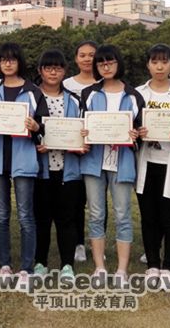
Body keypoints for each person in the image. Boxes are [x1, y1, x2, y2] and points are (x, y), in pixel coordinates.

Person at [0, 43, 46, 282]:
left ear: (19, 62)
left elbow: (44, 128)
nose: (8, 64)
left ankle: (26, 268)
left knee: (26, 215)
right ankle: (5, 264)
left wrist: (36, 127)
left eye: (12, 60)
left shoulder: (33, 92)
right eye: (4, 60)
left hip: (24, 160)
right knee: (0, 214)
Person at [79, 44, 144, 285]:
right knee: (96, 214)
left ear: (118, 63)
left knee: (123, 214)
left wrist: (137, 135)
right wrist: (83, 133)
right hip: (94, 161)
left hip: (123, 161)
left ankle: (122, 270)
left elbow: (140, 130)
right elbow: (79, 125)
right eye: (101, 63)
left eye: (110, 62)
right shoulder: (89, 94)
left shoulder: (134, 95)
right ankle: (100, 267)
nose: (105, 67)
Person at [135, 44, 170, 287]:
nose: (159, 66)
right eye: (154, 61)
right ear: (147, 64)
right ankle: (153, 265)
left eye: (164, 62)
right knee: (148, 217)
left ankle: (168, 265)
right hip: (146, 162)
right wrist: (138, 132)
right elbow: (132, 127)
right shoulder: (138, 93)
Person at [33, 49, 84, 280]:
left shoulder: (74, 100)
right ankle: (40, 263)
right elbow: (21, 130)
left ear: (65, 71)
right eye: (48, 67)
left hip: (68, 169)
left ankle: (67, 265)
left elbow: (83, 130)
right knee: (41, 219)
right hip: (39, 170)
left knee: (67, 219)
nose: (53, 72)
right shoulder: (30, 97)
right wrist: (36, 143)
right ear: (40, 71)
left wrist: (82, 141)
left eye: (58, 68)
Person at [62, 40, 97, 263]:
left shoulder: (105, 84)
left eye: (91, 55)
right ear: (76, 59)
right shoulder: (66, 84)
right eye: (82, 55)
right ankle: (78, 243)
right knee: (75, 199)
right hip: (70, 151)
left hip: (96, 151)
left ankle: (96, 241)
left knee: (95, 201)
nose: (87, 59)